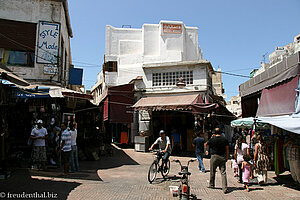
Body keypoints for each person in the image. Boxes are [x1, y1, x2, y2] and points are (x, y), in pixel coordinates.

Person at [205, 128, 230, 194]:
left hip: (214, 156)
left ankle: (211, 184)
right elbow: (227, 149)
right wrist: (226, 157)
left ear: (214, 133)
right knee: (223, 173)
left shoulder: (212, 139)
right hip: (222, 156)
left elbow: (206, 144)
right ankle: (225, 188)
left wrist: (207, 150)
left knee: (212, 171)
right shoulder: (224, 139)